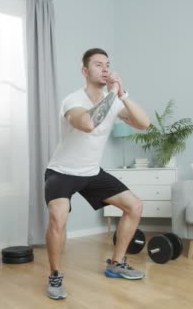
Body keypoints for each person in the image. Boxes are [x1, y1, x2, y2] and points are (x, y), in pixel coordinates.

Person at [44, 48, 151, 300]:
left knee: (134, 206)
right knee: (57, 218)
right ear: (85, 71)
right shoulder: (73, 101)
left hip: (91, 172)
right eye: (98, 65)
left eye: (108, 65)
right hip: (63, 171)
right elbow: (88, 124)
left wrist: (122, 95)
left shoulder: (114, 101)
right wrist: (112, 95)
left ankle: (116, 263)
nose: (105, 69)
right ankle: (55, 275)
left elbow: (144, 123)